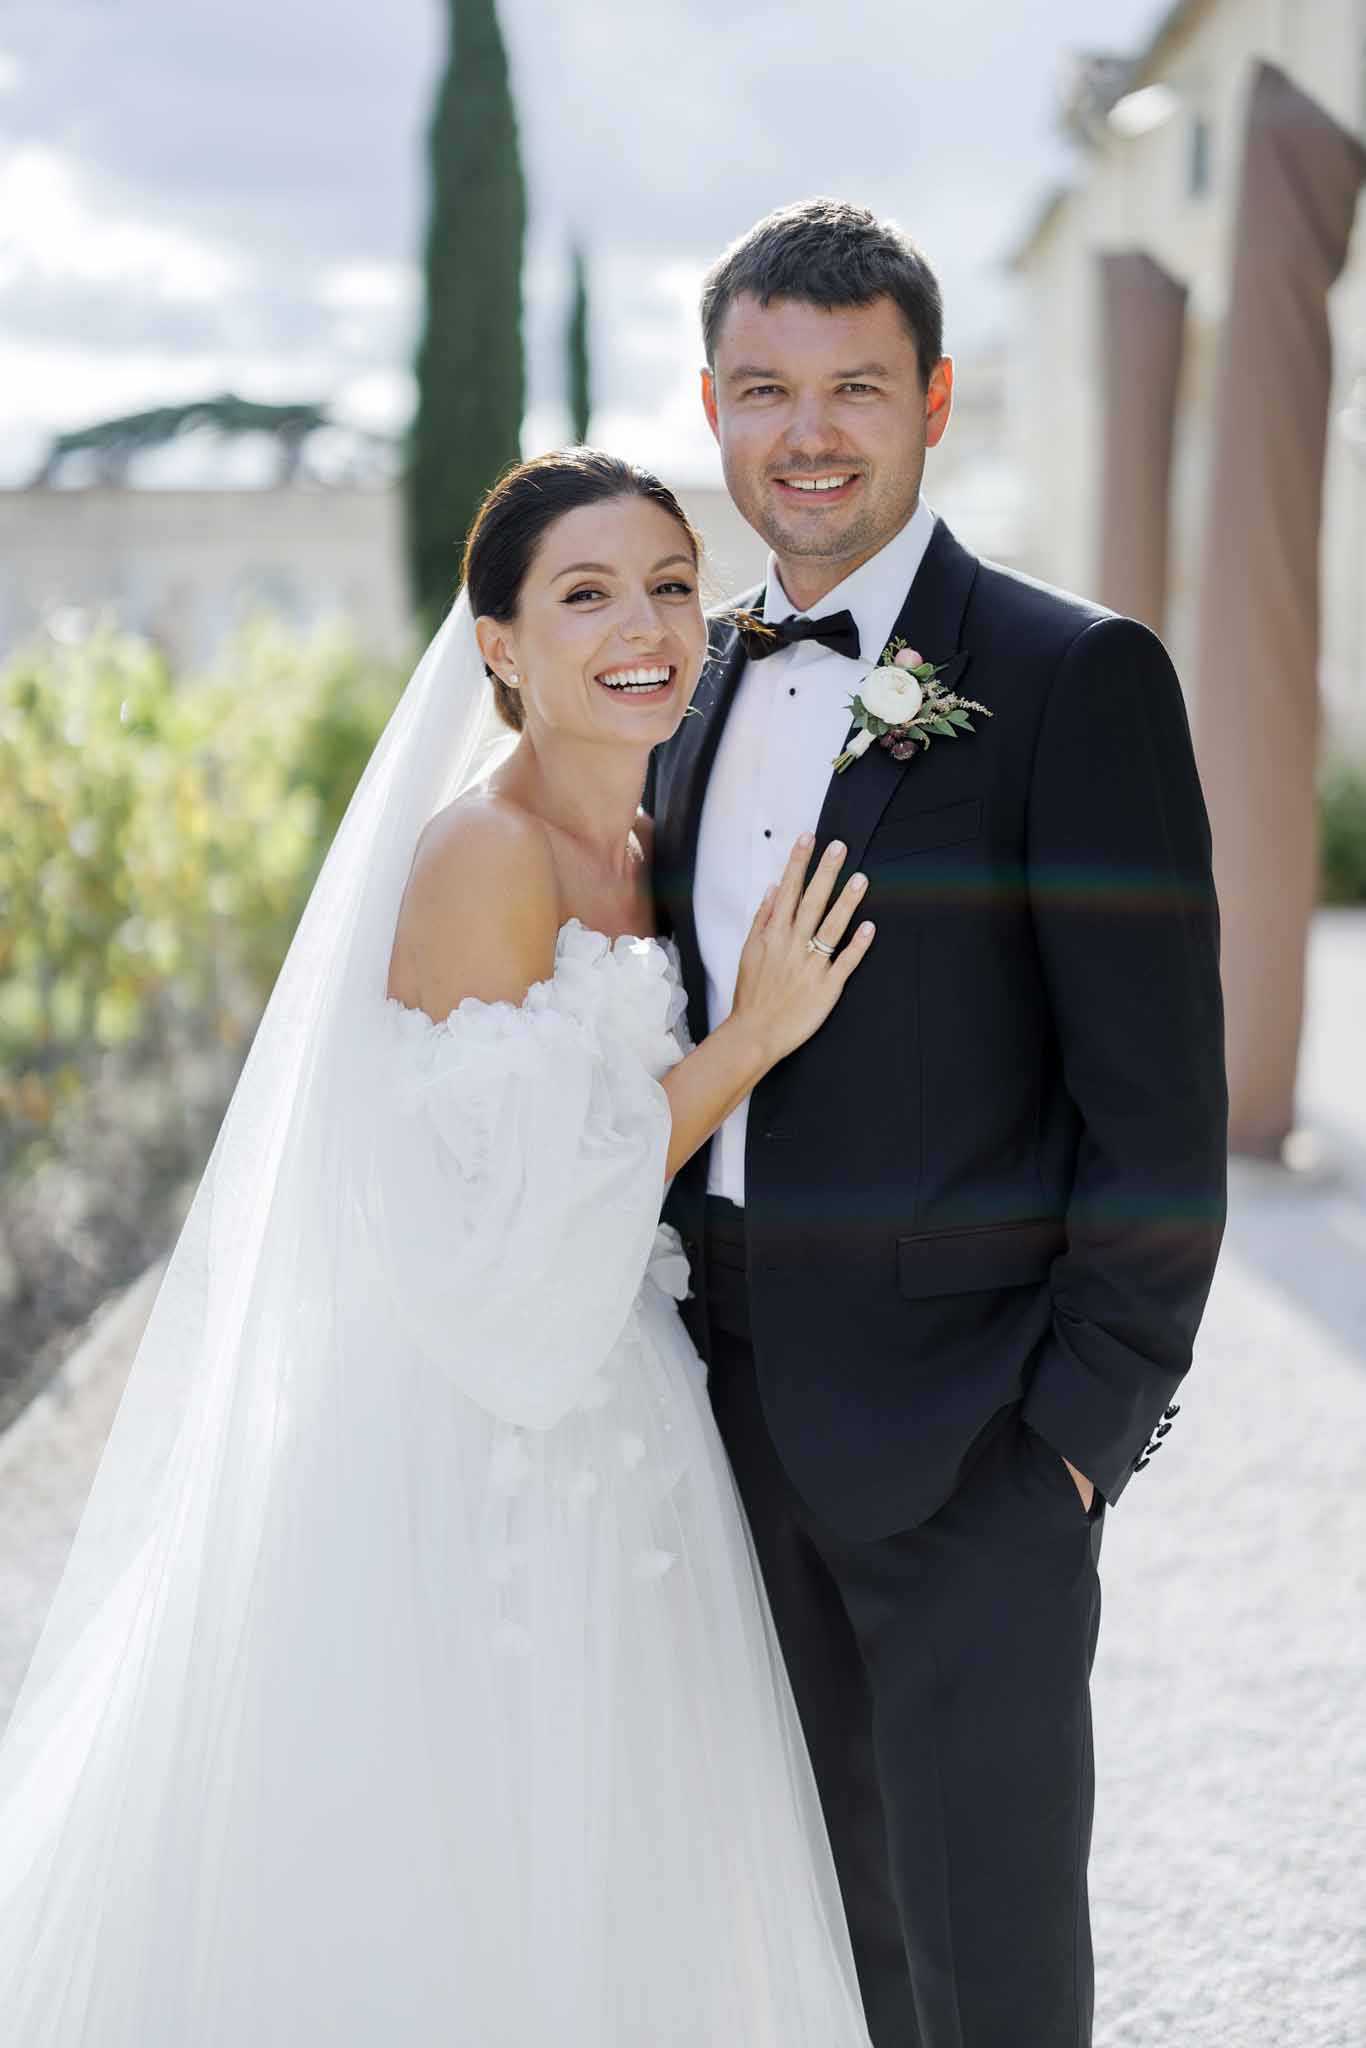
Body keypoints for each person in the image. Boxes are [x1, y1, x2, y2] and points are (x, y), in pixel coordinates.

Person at [0, 450, 879, 2046]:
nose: (647, 623)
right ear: (498, 645)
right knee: (471, 1856)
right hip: (477, 1432)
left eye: (673, 584)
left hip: (620, 1406)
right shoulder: (487, 857)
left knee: (625, 1856)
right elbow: (509, 1235)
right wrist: (750, 1035)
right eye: (587, 592)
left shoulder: (638, 833)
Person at [645, 198, 1229, 2048]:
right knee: (813, 1948)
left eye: (851, 389)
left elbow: (1155, 1110)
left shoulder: (1074, 678)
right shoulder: (686, 682)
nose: (804, 432)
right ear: (714, 409)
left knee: (990, 1976)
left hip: (969, 1449)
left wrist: (1067, 1449)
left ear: (935, 400)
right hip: (702, 1429)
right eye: (762, 390)